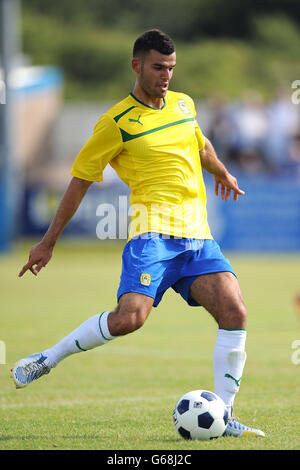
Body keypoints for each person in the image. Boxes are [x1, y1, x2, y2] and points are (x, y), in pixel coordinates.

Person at [11, 29, 264, 438]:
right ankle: (48, 358)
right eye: (158, 67)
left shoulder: (183, 104)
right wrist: (48, 241)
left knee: (235, 312)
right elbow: (79, 181)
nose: (166, 76)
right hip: (153, 236)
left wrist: (224, 173)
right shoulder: (116, 123)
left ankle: (226, 416)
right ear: (137, 66)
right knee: (130, 319)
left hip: (198, 236)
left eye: (171, 68)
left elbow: (200, 146)